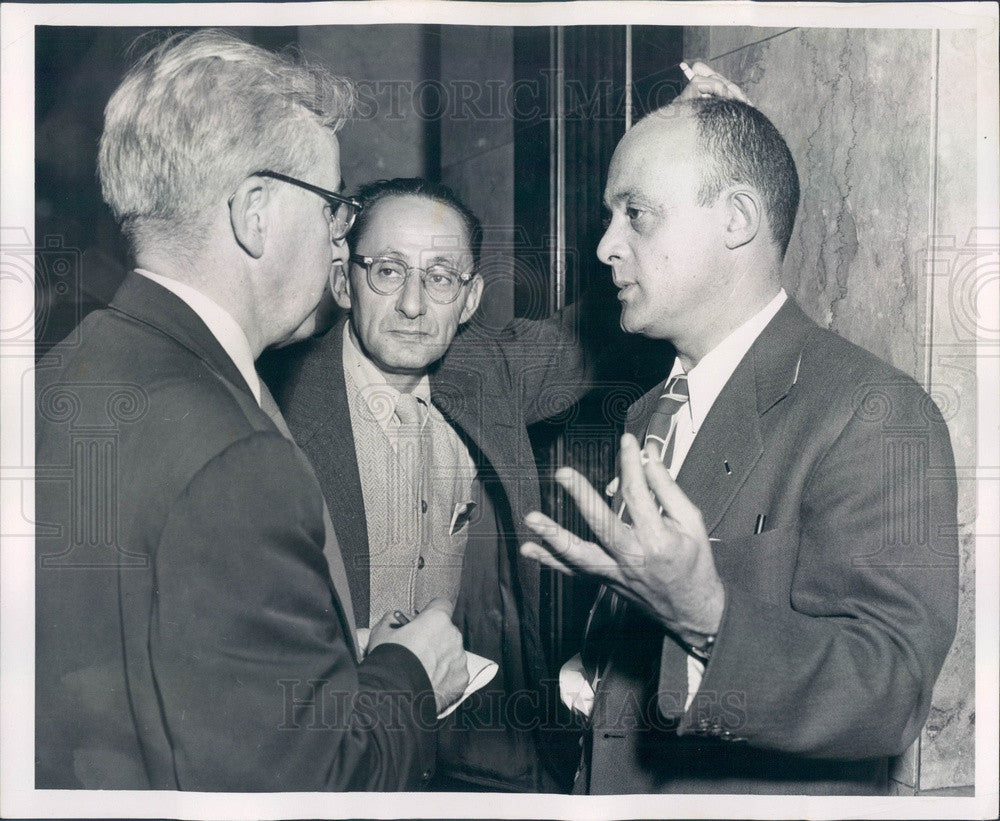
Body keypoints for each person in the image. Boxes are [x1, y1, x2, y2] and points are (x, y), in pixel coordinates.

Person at [34, 30, 469, 792]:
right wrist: (408, 673)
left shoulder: (55, 375)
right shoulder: (236, 458)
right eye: (336, 209)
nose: (342, 242)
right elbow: (311, 785)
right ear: (256, 214)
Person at [521, 94, 959, 794]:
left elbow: (891, 689)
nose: (605, 245)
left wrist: (706, 618)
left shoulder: (874, 410)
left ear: (737, 219)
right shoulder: (647, 413)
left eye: (635, 212)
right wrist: (601, 676)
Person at [260, 177, 591, 792]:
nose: (413, 304)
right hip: (327, 754)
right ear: (343, 281)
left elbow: (600, 336)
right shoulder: (270, 399)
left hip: (468, 763)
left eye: (440, 277)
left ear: (469, 300)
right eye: (388, 271)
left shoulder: (483, 369)